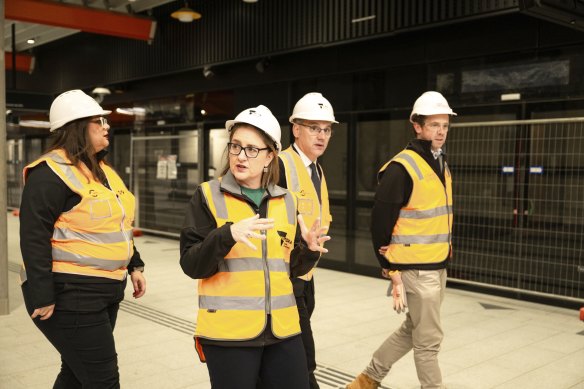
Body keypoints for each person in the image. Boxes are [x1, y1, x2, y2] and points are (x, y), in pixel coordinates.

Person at [179, 105, 330, 389]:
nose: (240, 156)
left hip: (283, 329)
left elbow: (289, 268)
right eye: (235, 146)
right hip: (229, 333)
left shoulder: (286, 200)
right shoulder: (207, 196)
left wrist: (308, 250)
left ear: (270, 155)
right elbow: (191, 264)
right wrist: (228, 235)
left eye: (251, 149)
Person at [19, 89, 147, 388]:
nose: (107, 126)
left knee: (76, 374)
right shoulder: (49, 174)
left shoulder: (103, 171)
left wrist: (135, 265)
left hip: (106, 289)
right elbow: (33, 236)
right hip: (71, 293)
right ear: (77, 126)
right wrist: (42, 293)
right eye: (98, 121)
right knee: (103, 379)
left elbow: (118, 223)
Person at [347, 91, 455, 389]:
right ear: (417, 126)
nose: (441, 131)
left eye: (445, 125)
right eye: (434, 125)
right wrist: (388, 266)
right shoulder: (402, 167)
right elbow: (380, 221)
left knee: (413, 329)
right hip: (417, 269)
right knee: (428, 342)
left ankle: (367, 379)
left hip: (435, 264)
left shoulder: (439, 163)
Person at [278, 92, 336, 389]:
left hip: (306, 272)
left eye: (326, 129)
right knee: (303, 356)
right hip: (286, 275)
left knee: (290, 348)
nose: (322, 135)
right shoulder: (282, 165)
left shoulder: (316, 168)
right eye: (314, 128)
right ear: (295, 129)